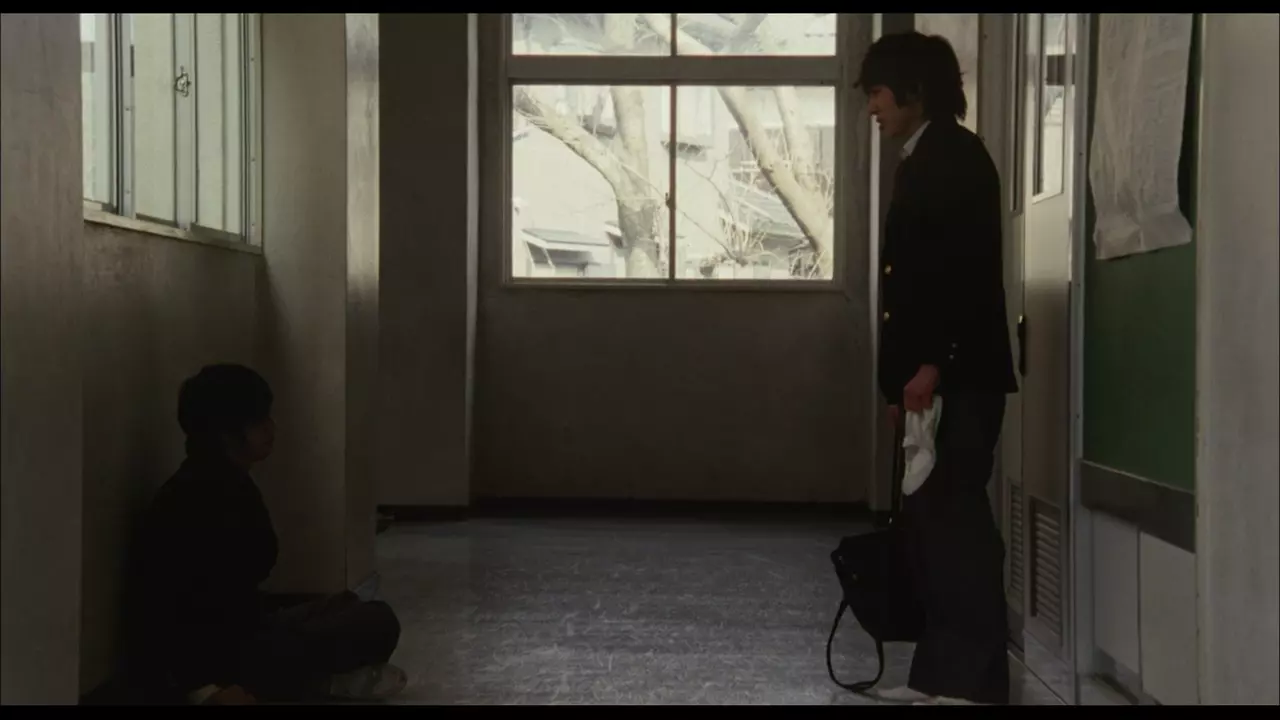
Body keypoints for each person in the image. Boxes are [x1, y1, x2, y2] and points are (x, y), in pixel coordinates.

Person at [856, 32, 1019, 705]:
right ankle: (939, 678)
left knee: (956, 527)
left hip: (957, 376)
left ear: (915, 91)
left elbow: (962, 277)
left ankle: (970, 683)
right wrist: (900, 382)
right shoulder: (926, 156)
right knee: (934, 528)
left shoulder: (954, 157)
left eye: (878, 92)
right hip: (933, 379)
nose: (873, 106)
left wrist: (931, 366)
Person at [124, 364, 407, 704]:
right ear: (226, 431)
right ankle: (313, 682)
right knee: (377, 621)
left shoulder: (224, 480)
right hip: (227, 653)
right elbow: (183, 611)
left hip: (245, 628)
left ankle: (315, 678)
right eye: (258, 421)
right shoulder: (202, 496)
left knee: (346, 605)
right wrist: (203, 688)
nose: (271, 428)